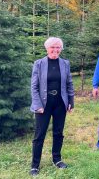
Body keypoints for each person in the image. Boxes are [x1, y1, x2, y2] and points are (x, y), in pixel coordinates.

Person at [29, 37, 74, 176]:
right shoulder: (39, 64)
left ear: (61, 49)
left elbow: (69, 84)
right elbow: (34, 86)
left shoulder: (65, 64)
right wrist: (37, 105)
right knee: (39, 134)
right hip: (44, 104)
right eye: (52, 47)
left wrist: (71, 101)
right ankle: (35, 165)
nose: (55, 50)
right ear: (47, 48)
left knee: (58, 133)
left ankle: (57, 159)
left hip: (60, 103)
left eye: (58, 47)